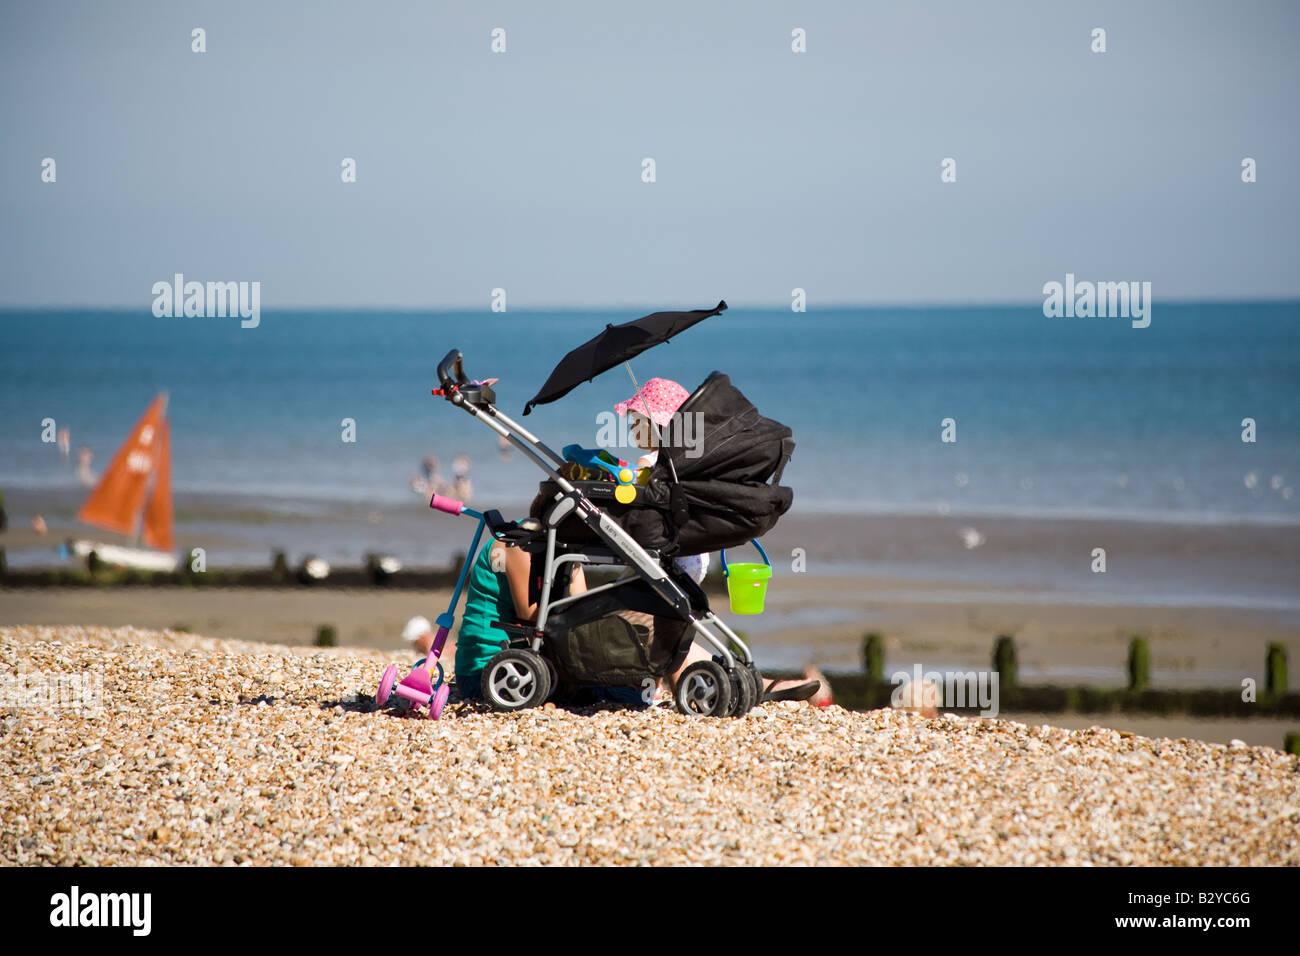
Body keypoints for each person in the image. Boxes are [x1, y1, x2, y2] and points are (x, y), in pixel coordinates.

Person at [614, 378, 821, 704]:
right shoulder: (684, 466)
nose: (630, 429)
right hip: (693, 556)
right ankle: (723, 681)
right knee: (669, 621)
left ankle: (656, 686)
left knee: (640, 608)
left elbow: (635, 500)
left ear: (655, 425)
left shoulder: (651, 464)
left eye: (635, 422)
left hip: (666, 555)